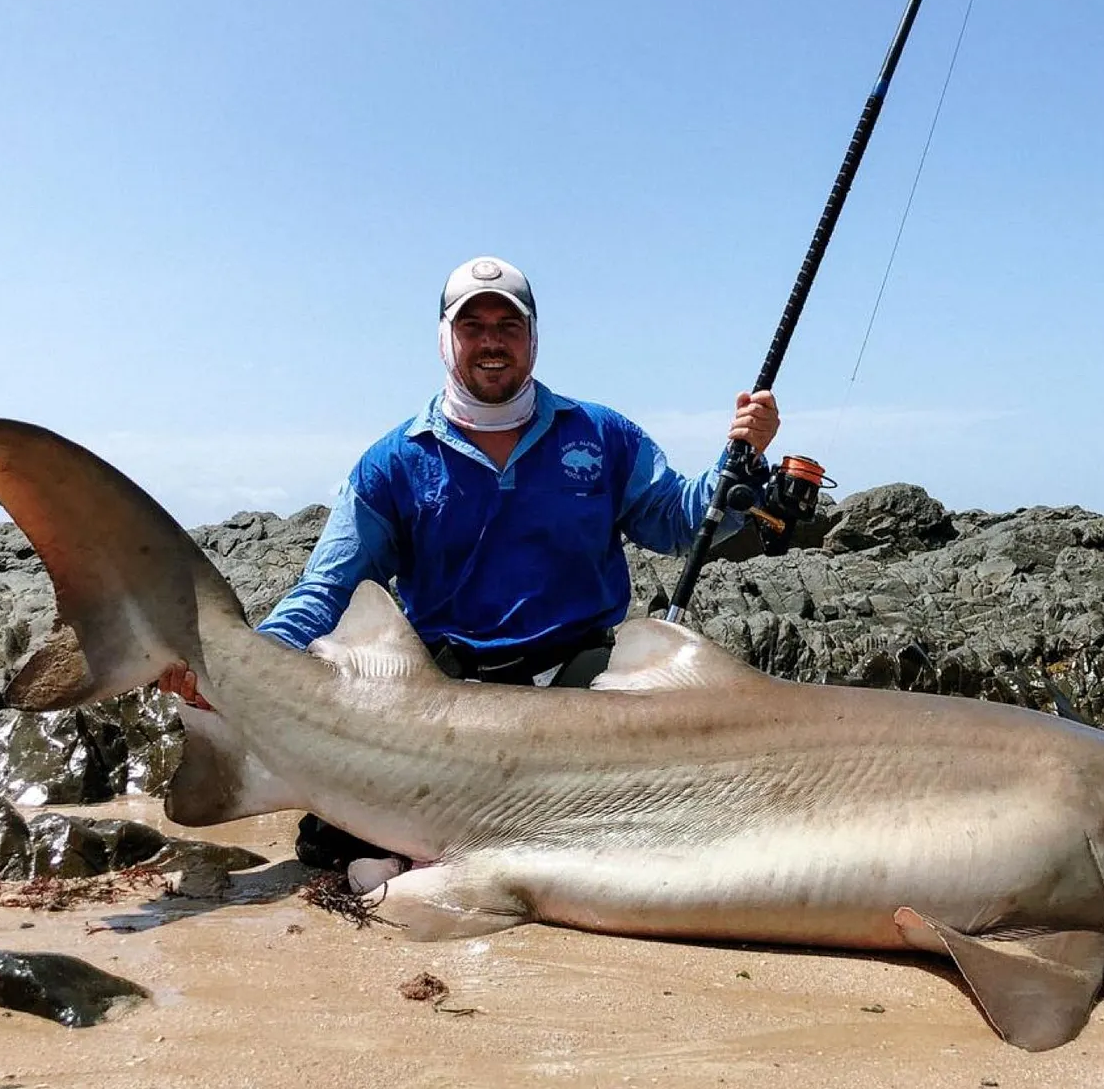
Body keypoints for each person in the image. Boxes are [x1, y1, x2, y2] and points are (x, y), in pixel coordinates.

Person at [158, 255, 780, 878]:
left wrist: (742, 464)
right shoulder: (393, 463)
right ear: (445, 339)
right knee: (335, 845)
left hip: (583, 679)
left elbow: (679, 520)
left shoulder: (601, 435)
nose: (490, 342)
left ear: (532, 339)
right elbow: (326, 589)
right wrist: (240, 666)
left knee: (669, 828)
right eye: (472, 326)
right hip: (447, 695)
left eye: (508, 327)